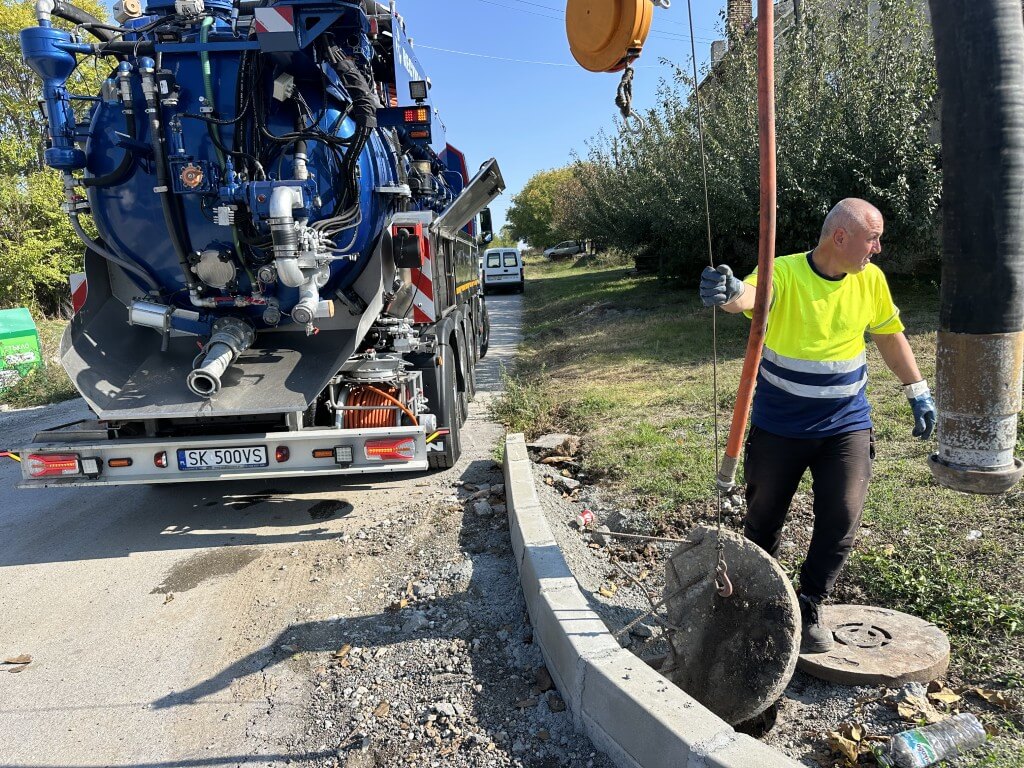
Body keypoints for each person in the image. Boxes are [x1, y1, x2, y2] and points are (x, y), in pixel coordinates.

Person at [698, 198, 936, 654]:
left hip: (845, 423)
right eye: (873, 238)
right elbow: (752, 297)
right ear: (840, 237)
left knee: (843, 513)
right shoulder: (784, 272)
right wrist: (729, 291)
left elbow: (888, 334)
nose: (878, 249)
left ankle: (809, 604)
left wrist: (916, 388)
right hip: (779, 426)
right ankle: (755, 598)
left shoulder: (870, 281)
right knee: (764, 518)